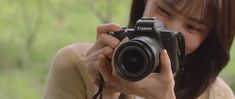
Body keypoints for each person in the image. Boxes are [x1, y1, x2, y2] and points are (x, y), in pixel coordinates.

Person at [44, 0, 235, 99]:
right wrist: (106, 92)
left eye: (192, 27)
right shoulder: (76, 65)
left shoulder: (218, 96)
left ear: (209, 39)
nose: (171, 30)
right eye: (164, 11)